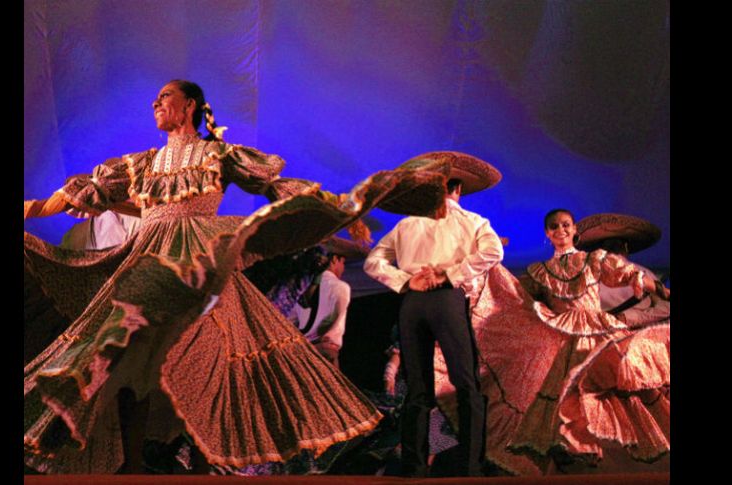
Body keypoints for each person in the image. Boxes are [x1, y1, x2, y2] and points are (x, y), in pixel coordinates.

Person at [23, 80, 448, 474]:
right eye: (154, 98)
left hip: (202, 257)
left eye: (165, 96)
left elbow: (277, 187)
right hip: (148, 257)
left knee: (208, 357)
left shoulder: (217, 155)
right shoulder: (140, 164)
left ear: (189, 105)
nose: (156, 103)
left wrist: (337, 209)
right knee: (126, 349)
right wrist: (32, 208)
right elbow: (76, 194)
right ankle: (134, 467)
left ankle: (205, 465)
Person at [364, 158, 502, 477]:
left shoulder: (406, 224)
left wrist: (405, 281)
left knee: (417, 388)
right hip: (446, 300)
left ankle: (413, 468)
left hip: (412, 303)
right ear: (457, 190)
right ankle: (470, 467)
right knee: (466, 383)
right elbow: (494, 252)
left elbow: (373, 262)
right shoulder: (473, 220)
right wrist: (448, 274)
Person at [505, 209, 670, 470]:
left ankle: (619, 453)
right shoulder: (539, 271)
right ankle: (575, 445)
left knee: (619, 381)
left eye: (566, 225)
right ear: (548, 233)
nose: (561, 230)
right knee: (563, 392)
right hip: (561, 335)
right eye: (554, 226)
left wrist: (665, 292)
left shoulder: (594, 260)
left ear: (575, 231)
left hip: (599, 329)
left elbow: (632, 276)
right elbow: (515, 297)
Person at [575, 213, 669, 326]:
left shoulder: (582, 275)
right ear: (626, 248)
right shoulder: (643, 272)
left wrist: (627, 318)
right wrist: (631, 317)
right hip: (622, 333)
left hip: (616, 335)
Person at [291, 237, 365, 368]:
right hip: (326, 349)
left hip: (305, 350)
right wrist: (317, 338)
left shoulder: (302, 287)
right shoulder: (340, 286)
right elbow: (333, 318)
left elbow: (291, 320)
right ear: (335, 259)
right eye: (343, 263)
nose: (343, 268)